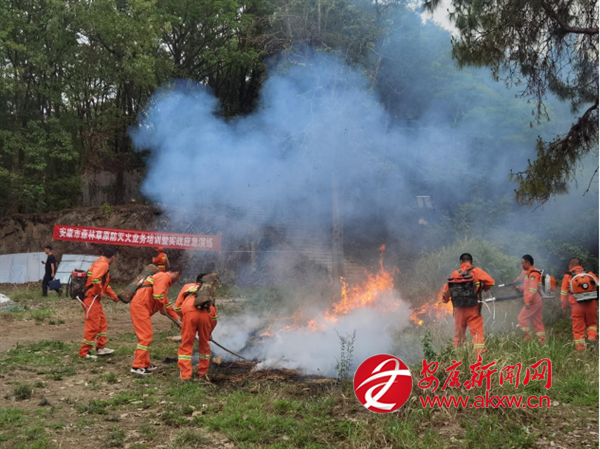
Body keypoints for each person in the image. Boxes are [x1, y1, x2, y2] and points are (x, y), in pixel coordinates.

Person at [129, 266, 182, 375]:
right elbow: (158, 296)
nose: (178, 279)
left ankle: (145, 363)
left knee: (146, 336)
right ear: (176, 273)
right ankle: (137, 366)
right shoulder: (163, 277)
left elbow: (166, 303)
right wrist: (161, 308)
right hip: (140, 307)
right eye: (179, 277)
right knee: (145, 336)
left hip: (142, 308)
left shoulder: (162, 281)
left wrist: (177, 321)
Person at [441, 253, 495, 355]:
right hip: (473, 309)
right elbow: (491, 282)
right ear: (472, 262)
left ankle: (457, 355)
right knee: (477, 335)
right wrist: (483, 287)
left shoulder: (455, 273)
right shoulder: (476, 271)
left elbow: (446, 292)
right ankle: (479, 356)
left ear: (461, 262)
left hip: (459, 311)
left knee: (458, 335)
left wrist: (445, 299)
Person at [174, 274, 218, 381]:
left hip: (189, 312)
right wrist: (209, 334)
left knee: (187, 344)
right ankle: (203, 373)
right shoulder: (209, 290)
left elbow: (178, 307)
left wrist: (184, 318)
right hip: (207, 313)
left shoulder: (187, 286)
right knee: (204, 344)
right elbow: (214, 318)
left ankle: (185, 375)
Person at [79, 246, 120, 359]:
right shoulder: (103, 264)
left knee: (102, 323)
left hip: (94, 299)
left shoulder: (100, 262)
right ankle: (84, 352)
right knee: (93, 325)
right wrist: (100, 292)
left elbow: (103, 284)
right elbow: (96, 280)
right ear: (113, 257)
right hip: (91, 298)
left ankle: (101, 347)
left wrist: (113, 296)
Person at [561, 258, 598, 350]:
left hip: (576, 306)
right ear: (581, 265)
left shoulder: (568, 276)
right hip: (591, 304)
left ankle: (581, 349)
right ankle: (592, 336)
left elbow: (564, 293)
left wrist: (564, 307)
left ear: (570, 266)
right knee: (592, 323)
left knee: (578, 329)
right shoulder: (589, 274)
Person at [516, 255, 546, 344]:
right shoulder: (529, 273)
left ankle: (528, 337)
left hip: (533, 301)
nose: (522, 265)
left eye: (523, 263)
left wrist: (528, 302)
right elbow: (527, 287)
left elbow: (532, 289)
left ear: (528, 263)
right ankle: (542, 341)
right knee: (537, 321)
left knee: (521, 318)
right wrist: (519, 288)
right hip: (537, 301)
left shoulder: (533, 274)